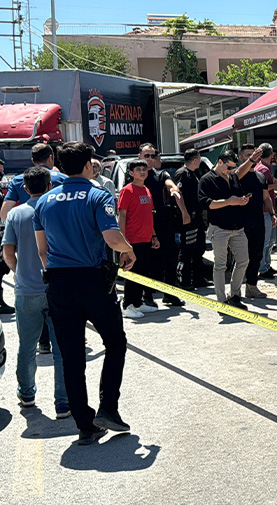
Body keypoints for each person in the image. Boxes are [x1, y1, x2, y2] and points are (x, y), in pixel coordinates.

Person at [34, 141, 137, 445]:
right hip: (91, 280)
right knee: (115, 342)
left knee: (71, 356)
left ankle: (85, 424)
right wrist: (128, 251)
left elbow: (42, 250)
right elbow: (111, 237)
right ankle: (108, 408)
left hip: (58, 283)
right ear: (89, 165)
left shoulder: (44, 201)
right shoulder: (97, 194)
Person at [2, 166, 68, 417]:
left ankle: (27, 392)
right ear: (50, 185)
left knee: (27, 346)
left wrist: (19, 271)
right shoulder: (57, 209)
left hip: (26, 289)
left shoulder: (16, 214)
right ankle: (63, 402)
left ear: (25, 188)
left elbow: (8, 252)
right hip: (57, 288)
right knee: (61, 347)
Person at [0, 144, 67, 315]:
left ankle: (43, 340)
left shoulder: (18, 180)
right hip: (57, 246)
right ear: (51, 157)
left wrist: (19, 228)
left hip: (27, 247)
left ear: (33, 161)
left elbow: (4, 213)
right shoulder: (62, 179)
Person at [198, 149, 260, 309]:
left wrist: (241, 200)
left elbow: (240, 173)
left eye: (233, 167)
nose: (231, 170)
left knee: (244, 261)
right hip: (219, 228)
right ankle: (221, 300)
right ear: (219, 162)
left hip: (238, 227)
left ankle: (234, 295)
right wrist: (229, 202)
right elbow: (207, 203)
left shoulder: (232, 176)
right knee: (220, 265)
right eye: (229, 167)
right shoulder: (207, 179)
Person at [139, 144, 188, 307]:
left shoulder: (161, 174)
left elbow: (170, 183)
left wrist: (174, 191)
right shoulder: (134, 176)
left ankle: (170, 294)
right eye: (147, 156)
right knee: (146, 260)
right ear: (140, 156)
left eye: (153, 156)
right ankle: (147, 295)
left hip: (161, 220)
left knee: (171, 256)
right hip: (142, 222)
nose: (150, 159)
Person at [117, 160, 160, 318]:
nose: (142, 172)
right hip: (132, 240)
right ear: (131, 173)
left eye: (144, 169)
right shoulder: (127, 190)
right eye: (138, 169)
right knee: (132, 273)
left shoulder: (147, 190)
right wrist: (123, 242)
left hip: (146, 238)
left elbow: (149, 215)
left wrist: (154, 236)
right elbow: (122, 216)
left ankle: (137, 303)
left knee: (143, 272)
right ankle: (127, 305)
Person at [239, 145, 277, 298]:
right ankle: (236, 289)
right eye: (249, 155)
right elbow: (238, 173)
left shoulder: (260, 176)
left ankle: (251, 286)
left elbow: (265, 197)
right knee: (242, 256)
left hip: (258, 220)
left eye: (255, 154)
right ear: (241, 158)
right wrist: (250, 160)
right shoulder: (236, 175)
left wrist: (272, 213)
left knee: (257, 254)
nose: (254, 157)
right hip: (241, 222)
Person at [173, 149, 209, 289]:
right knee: (187, 251)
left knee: (198, 249)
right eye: (199, 159)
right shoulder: (182, 173)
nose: (199, 162)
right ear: (195, 159)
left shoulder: (193, 174)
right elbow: (177, 194)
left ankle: (199, 278)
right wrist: (184, 213)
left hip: (197, 218)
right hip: (188, 218)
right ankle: (184, 281)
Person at [255, 143, 277, 279]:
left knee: (270, 241)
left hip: (267, 208)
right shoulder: (264, 169)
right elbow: (262, 188)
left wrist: (272, 190)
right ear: (271, 155)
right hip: (265, 210)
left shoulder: (261, 167)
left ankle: (266, 265)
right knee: (266, 241)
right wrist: (275, 186)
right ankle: (263, 268)